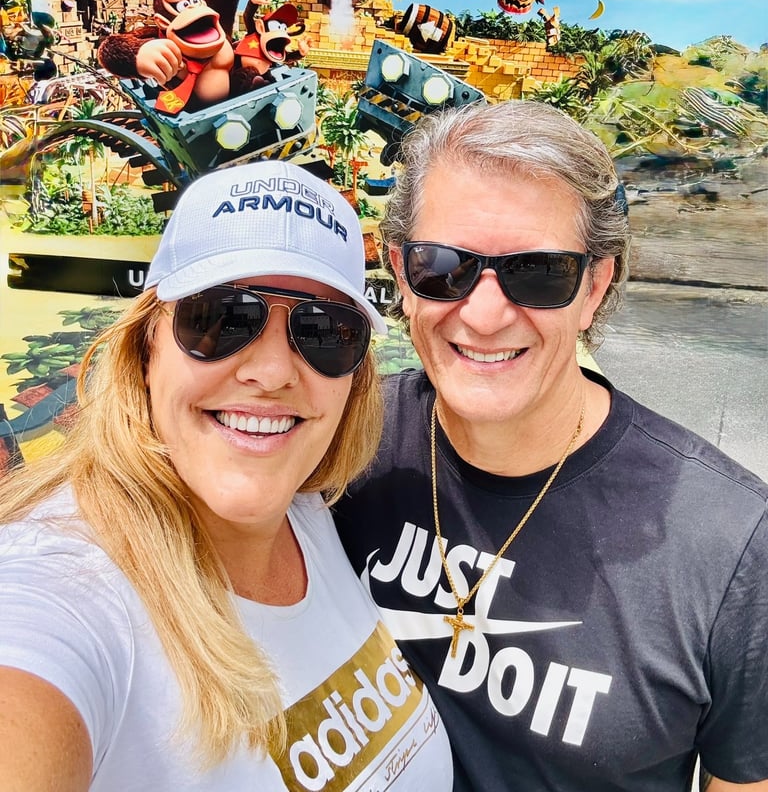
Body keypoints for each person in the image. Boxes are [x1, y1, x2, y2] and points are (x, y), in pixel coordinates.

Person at [334, 99, 768, 792]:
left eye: (538, 273)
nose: (484, 314)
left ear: (595, 287)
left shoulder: (731, 543)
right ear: (402, 274)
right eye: (443, 266)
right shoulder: (338, 449)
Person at [0, 160, 453, 791]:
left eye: (324, 332)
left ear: (355, 377)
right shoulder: (61, 588)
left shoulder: (313, 512)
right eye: (221, 319)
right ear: (147, 347)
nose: (271, 373)